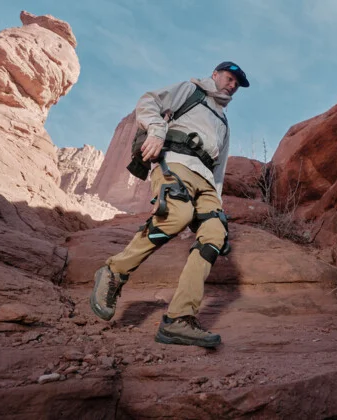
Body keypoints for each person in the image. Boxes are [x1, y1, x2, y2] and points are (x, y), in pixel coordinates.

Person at [89, 61, 250, 348]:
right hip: (175, 163)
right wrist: (156, 130)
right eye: (229, 78)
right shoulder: (191, 90)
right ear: (215, 75)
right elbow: (149, 100)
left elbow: (220, 167)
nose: (232, 84)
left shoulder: (224, 122)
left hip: (207, 183)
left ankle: (179, 319)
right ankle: (113, 272)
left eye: (237, 83)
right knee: (176, 215)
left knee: (214, 236)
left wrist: (217, 201)